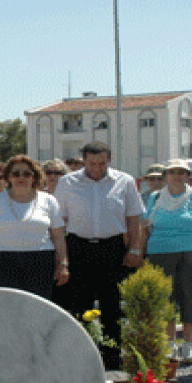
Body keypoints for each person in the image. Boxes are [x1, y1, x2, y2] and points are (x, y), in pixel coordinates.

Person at [54, 142, 145, 370]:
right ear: (84, 161)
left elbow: (134, 218)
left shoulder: (124, 181)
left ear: (109, 160)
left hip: (112, 247)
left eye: (101, 163)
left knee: (112, 303)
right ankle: (83, 355)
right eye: (92, 163)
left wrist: (135, 249)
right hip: (79, 247)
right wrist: (62, 257)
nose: (96, 168)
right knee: (80, 303)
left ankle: (112, 356)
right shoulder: (67, 183)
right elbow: (59, 221)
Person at [141, 159, 192, 366]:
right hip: (159, 252)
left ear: (188, 176)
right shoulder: (155, 198)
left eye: (181, 172)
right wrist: (139, 253)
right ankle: (169, 345)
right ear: (165, 176)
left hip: (191, 252)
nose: (177, 176)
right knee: (164, 300)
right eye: (172, 172)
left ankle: (190, 345)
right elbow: (146, 226)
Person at [0, 155, 68, 300]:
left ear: (34, 176)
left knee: (38, 305)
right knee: (8, 305)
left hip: (41, 260)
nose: (21, 177)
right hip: (4, 260)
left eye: (26, 174)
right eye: (16, 174)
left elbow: (58, 236)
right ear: (8, 177)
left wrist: (63, 264)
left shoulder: (49, 200)